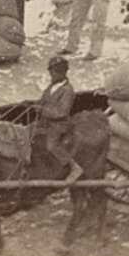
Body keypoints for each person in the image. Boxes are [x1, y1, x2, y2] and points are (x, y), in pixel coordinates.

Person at [34, 56, 85, 184]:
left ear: (62, 73)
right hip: (45, 122)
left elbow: (62, 112)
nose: (51, 75)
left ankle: (74, 168)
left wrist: (42, 110)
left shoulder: (68, 90)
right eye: (51, 72)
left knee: (51, 145)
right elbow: (44, 100)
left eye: (54, 73)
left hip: (58, 125)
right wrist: (33, 104)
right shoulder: (52, 86)